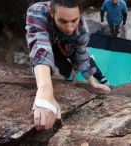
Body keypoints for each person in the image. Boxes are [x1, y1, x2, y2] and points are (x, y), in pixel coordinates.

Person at [25, 0, 111, 130]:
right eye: (63, 21)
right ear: (52, 14)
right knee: (64, 67)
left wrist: (92, 82)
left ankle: (103, 79)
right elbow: (40, 46)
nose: (70, 28)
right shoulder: (38, 11)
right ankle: (68, 78)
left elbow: (81, 55)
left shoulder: (82, 29)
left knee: (88, 60)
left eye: (74, 20)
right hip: (53, 47)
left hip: (70, 46)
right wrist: (45, 93)